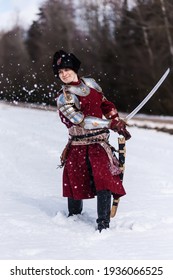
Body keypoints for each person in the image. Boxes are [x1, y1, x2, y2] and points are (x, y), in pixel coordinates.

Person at [52, 50, 131, 232]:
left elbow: (106, 104)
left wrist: (116, 120)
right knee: (75, 182)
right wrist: (110, 123)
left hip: (98, 144)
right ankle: (73, 218)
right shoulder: (64, 98)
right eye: (60, 72)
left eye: (66, 69)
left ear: (74, 69)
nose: (64, 74)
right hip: (78, 145)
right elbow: (82, 121)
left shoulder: (91, 83)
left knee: (104, 180)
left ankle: (103, 224)